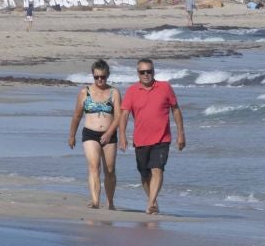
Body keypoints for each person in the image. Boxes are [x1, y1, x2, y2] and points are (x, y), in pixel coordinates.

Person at [118, 58, 185, 216]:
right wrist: (122, 136)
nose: (146, 74)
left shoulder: (165, 87)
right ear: (138, 73)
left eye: (149, 71)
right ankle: (153, 202)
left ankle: (150, 204)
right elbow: (124, 114)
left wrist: (181, 133)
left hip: (162, 138)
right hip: (141, 139)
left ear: (154, 72)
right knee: (144, 174)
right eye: (143, 72)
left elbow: (175, 110)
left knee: (157, 169)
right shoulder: (132, 91)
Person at [67, 59, 123, 210]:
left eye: (103, 77)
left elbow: (118, 116)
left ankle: (110, 202)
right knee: (94, 166)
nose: (100, 80)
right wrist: (72, 135)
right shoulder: (85, 92)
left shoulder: (114, 92)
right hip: (90, 133)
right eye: (96, 77)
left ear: (107, 75)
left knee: (109, 170)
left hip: (109, 134)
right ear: (92, 75)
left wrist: (109, 132)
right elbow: (77, 115)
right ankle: (95, 201)